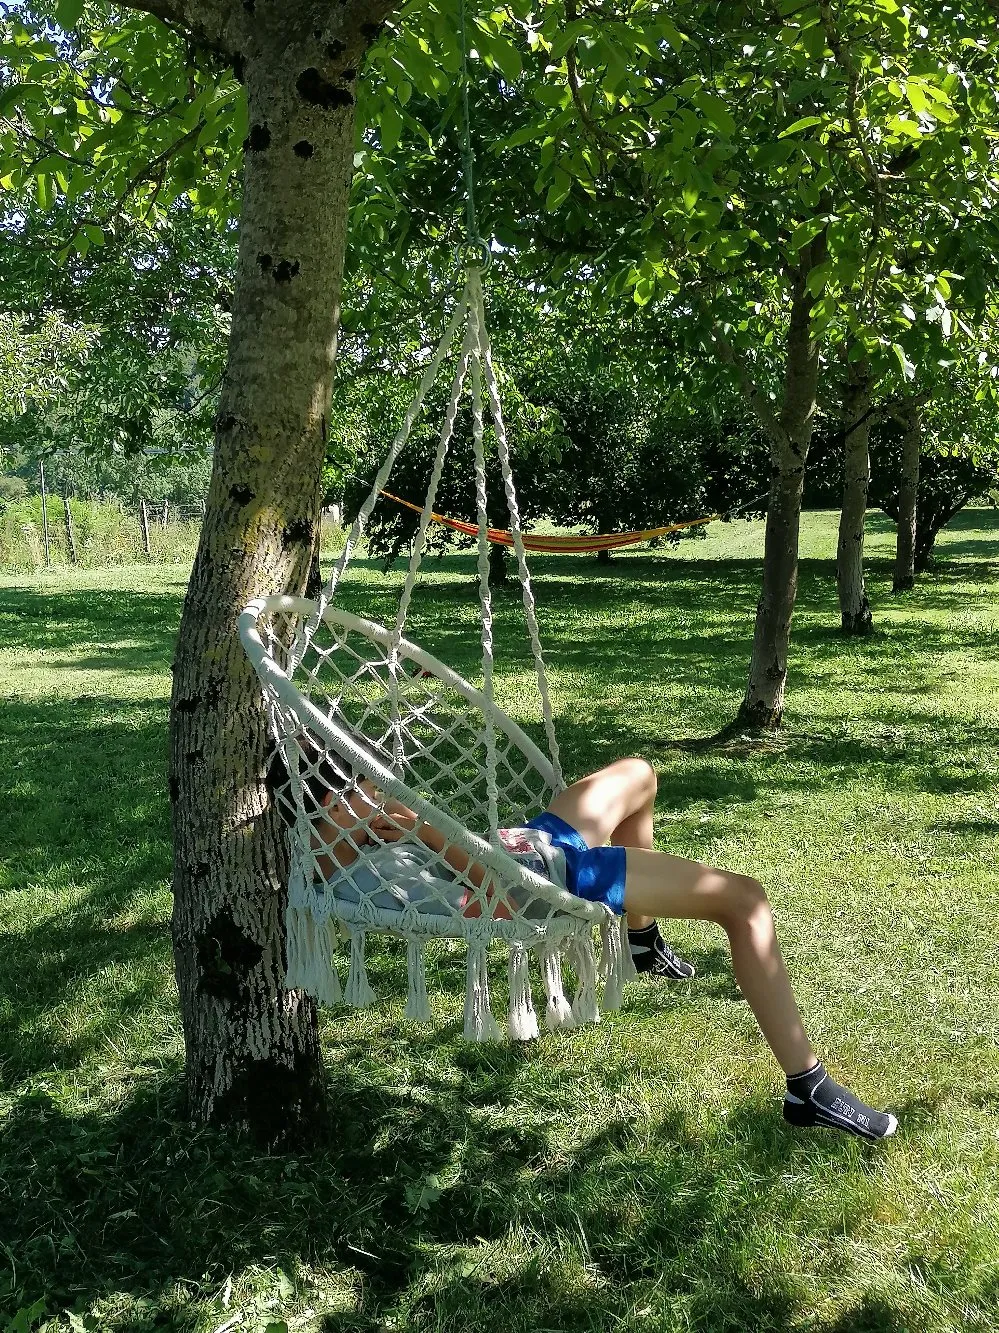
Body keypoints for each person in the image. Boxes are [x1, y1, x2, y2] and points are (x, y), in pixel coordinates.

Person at [309, 753, 898, 1143]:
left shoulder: (369, 842)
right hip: (553, 883)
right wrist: (427, 832)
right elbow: (508, 902)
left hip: (531, 846)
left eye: (361, 788)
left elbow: (473, 858)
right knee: (745, 903)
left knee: (639, 775)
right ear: (317, 827)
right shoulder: (365, 880)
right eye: (347, 799)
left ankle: (640, 941)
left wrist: (411, 829)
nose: (368, 797)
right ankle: (809, 1086)